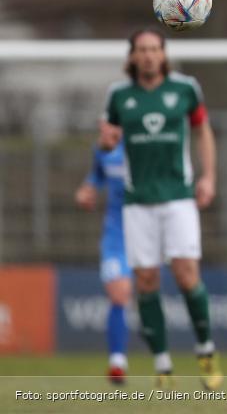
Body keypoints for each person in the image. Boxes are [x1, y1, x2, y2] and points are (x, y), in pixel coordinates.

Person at [104, 28, 222, 389]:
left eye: (156, 48)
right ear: (133, 57)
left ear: (164, 54)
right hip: (138, 201)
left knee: (187, 274)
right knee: (147, 281)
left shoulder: (185, 89)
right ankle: (163, 364)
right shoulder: (119, 96)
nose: (150, 55)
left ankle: (205, 349)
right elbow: (107, 138)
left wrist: (208, 177)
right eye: (143, 50)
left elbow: (203, 131)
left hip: (178, 197)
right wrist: (106, 139)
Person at [74, 119, 131, 385]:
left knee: (144, 293)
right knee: (118, 292)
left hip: (147, 231)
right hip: (115, 235)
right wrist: (86, 192)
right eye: (103, 127)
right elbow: (96, 177)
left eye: (111, 126)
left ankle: (162, 359)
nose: (106, 132)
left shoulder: (139, 148)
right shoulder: (102, 151)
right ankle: (117, 361)